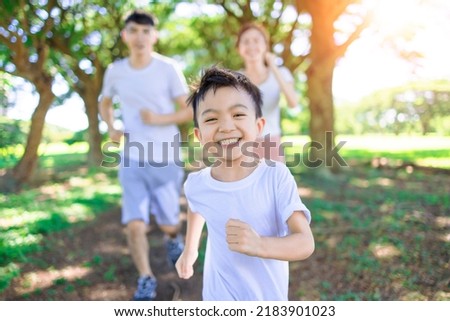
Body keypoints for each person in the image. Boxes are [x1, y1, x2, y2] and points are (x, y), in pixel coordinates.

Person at [175, 67, 314, 300]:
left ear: (259, 127)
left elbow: (305, 242)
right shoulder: (197, 183)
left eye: (238, 114)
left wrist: (260, 245)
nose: (226, 126)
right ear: (199, 136)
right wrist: (190, 249)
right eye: (211, 118)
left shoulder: (274, 176)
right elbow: (196, 205)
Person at [98, 10, 192, 301]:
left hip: (166, 155)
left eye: (145, 31)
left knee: (168, 222)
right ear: (125, 35)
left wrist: (158, 119)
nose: (139, 37)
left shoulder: (168, 68)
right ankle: (146, 278)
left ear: (155, 36)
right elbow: (104, 102)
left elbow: (189, 110)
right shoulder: (115, 71)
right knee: (135, 222)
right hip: (132, 157)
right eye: (133, 31)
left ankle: (172, 237)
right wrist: (112, 126)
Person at [236, 22, 299, 162]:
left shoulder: (281, 73)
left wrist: (273, 67)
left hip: (271, 143)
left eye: (256, 41)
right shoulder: (234, 79)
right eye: (246, 41)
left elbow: (293, 102)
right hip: (242, 145)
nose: (251, 46)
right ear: (239, 48)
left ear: (265, 45)